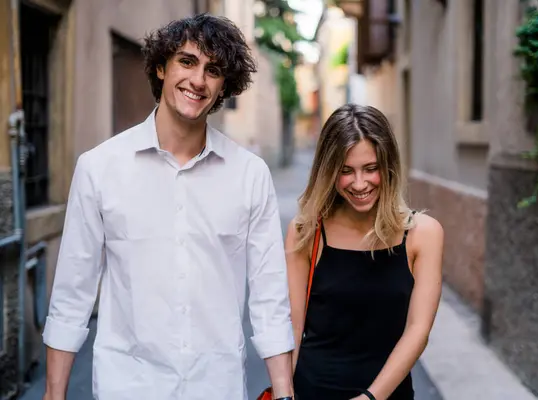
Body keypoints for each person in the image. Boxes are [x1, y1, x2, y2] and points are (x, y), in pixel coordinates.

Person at [42, 14, 295, 400]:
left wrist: (284, 391)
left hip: (217, 386)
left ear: (224, 85)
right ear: (161, 67)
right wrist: (53, 394)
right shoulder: (100, 168)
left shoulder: (250, 175)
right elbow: (72, 292)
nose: (198, 80)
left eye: (213, 70)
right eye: (187, 61)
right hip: (126, 385)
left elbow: (269, 296)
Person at [286, 104, 444, 400]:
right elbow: (293, 327)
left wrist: (371, 398)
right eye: (345, 171)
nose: (360, 184)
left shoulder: (423, 234)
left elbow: (418, 331)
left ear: (388, 166)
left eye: (371, 169)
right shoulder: (306, 231)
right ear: (329, 171)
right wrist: (284, 393)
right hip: (313, 391)